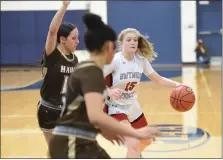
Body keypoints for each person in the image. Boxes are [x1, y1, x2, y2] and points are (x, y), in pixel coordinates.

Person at [49, 13, 160, 159]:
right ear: (109, 46)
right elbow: (95, 115)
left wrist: (103, 130)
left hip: (82, 140)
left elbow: (85, 110)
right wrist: (136, 133)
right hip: (71, 141)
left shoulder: (90, 69)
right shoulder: (91, 72)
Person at [103, 28, 187, 158]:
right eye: (129, 40)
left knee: (146, 140)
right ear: (121, 43)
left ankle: (134, 155)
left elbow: (158, 79)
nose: (133, 42)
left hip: (132, 105)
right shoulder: (114, 60)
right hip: (115, 107)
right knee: (133, 142)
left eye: (135, 40)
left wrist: (178, 85)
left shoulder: (141, 61)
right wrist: (108, 90)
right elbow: (93, 78)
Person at [36, 0, 79, 156]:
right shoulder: (53, 56)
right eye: (74, 38)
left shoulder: (74, 59)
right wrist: (65, 6)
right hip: (49, 110)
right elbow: (53, 30)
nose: (77, 41)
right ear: (62, 39)